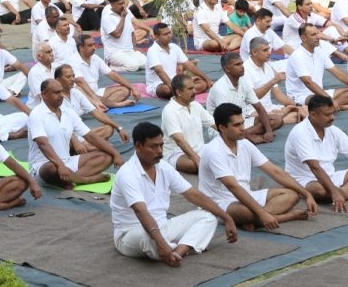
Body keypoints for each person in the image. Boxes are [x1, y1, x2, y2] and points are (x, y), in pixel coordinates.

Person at [110, 121, 238, 266]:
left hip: (163, 227)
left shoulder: (163, 167)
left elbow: (193, 194)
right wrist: (159, 241)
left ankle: (177, 252)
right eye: (154, 146)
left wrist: (227, 218)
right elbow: (141, 211)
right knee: (147, 237)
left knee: (208, 217)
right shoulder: (128, 173)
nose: (159, 151)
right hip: (130, 234)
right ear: (138, 146)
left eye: (161, 145)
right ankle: (174, 247)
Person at [199, 103, 317, 229]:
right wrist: (261, 213)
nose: (243, 128)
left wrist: (306, 194)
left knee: (292, 195)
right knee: (246, 212)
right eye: (236, 125)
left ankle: (254, 220)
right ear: (222, 128)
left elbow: (274, 171)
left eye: (242, 123)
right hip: (220, 202)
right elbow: (233, 187)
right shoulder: (214, 151)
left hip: (247, 194)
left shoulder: (244, 143)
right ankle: (284, 217)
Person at [29, 78, 121, 187]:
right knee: (52, 169)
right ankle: (85, 179)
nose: (61, 95)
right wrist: (60, 165)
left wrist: (115, 154)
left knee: (107, 156)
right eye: (56, 92)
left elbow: (90, 136)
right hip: (44, 164)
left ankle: (72, 179)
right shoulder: (36, 114)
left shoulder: (68, 112)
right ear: (44, 95)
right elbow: (43, 144)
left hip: (68, 162)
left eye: (61, 91)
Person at [284, 94, 348, 211]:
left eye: (332, 113)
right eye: (327, 114)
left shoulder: (333, 130)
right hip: (305, 180)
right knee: (320, 191)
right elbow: (315, 168)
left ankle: (344, 192)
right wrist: (334, 192)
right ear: (313, 115)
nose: (332, 117)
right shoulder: (300, 133)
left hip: (330, 175)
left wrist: (335, 190)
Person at [207, 52, 283, 144]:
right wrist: (251, 138)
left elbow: (259, 107)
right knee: (231, 130)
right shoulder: (219, 89)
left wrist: (269, 131)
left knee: (277, 120)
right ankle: (245, 136)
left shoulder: (243, 81)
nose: (242, 66)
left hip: (242, 122)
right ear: (227, 69)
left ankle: (244, 135)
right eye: (237, 64)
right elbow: (226, 120)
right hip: (223, 127)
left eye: (242, 63)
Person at [286, 24, 348, 110]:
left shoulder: (319, 51)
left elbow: (339, 73)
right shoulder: (297, 56)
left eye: (318, 33)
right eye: (313, 35)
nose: (318, 37)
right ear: (304, 38)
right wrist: (329, 99)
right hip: (300, 96)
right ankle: (341, 106)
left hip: (320, 93)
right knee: (318, 101)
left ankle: (328, 107)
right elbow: (309, 83)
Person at [162, 75, 215, 174]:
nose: (194, 91)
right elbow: (180, 141)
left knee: (225, 154)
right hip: (176, 153)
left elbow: (214, 124)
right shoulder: (169, 111)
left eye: (194, 88)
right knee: (194, 165)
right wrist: (197, 160)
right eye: (190, 89)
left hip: (200, 148)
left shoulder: (196, 105)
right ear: (179, 92)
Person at [69, 33, 139, 109]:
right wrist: (94, 98)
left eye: (94, 44)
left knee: (125, 90)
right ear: (81, 48)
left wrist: (133, 88)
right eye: (90, 45)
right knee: (81, 91)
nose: (94, 48)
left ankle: (98, 105)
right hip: (82, 94)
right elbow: (80, 82)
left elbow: (112, 74)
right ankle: (115, 104)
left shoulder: (95, 58)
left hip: (96, 92)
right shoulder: (73, 60)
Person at [146, 23, 211, 99]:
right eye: (165, 34)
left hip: (176, 82)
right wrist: (175, 88)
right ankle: (183, 92)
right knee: (166, 90)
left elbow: (189, 65)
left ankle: (182, 92)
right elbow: (160, 72)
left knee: (203, 84)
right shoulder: (152, 50)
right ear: (157, 36)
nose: (169, 35)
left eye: (169, 32)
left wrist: (208, 80)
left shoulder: (174, 47)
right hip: (157, 85)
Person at [100, 0, 149, 72]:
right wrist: (123, 17)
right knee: (133, 66)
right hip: (114, 53)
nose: (123, 6)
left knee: (146, 64)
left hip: (129, 50)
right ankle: (110, 66)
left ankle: (129, 63)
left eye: (124, 3)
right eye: (120, 4)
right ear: (112, 4)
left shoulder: (126, 12)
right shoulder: (107, 17)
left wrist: (134, 47)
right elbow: (117, 34)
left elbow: (132, 32)